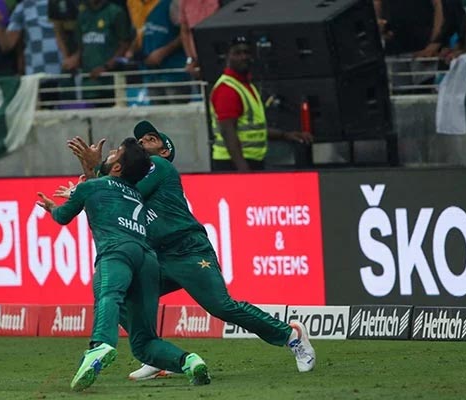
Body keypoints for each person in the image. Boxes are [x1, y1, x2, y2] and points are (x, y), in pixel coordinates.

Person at [64, 120, 316, 381]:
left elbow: (116, 193)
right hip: (156, 257)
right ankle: (154, 353)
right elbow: (111, 196)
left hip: (187, 251)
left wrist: (93, 170)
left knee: (221, 306)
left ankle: (290, 335)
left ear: (164, 153)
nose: (142, 142)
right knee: (121, 296)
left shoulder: (159, 166)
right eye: (140, 140)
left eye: (152, 139)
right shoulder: (127, 179)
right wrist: (92, 172)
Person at [37, 137, 211, 391]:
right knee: (144, 342)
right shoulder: (137, 192)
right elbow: (106, 192)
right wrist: (90, 175)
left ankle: (100, 346)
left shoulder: (92, 188)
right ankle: (188, 361)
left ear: (117, 168)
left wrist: (54, 207)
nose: (109, 154)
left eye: (115, 153)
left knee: (108, 294)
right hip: (149, 261)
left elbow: (64, 217)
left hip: (117, 252)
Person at [210, 36, 312, 172]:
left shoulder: (247, 86)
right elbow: (228, 132)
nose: (243, 57)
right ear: (228, 57)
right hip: (232, 163)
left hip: (251, 160)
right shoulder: (227, 89)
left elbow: (254, 129)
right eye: (237, 53)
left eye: (246, 52)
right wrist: (243, 169)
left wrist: (285, 135)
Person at [64, 0, 131, 105]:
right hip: (88, 84)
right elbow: (81, 47)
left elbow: (125, 45)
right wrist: (75, 59)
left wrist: (106, 67)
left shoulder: (116, 12)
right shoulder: (82, 14)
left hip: (111, 84)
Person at [179, 0, 219, 78]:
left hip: (218, 60)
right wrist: (190, 59)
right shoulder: (185, 2)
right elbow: (184, 31)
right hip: (196, 65)